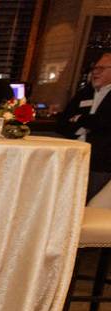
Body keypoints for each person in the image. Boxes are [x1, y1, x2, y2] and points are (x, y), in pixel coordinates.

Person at [57, 53, 111, 201]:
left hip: (101, 162)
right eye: (94, 68)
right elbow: (63, 122)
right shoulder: (84, 93)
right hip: (73, 155)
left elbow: (105, 123)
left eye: (101, 68)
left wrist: (80, 119)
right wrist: (87, 123)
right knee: (66, 198)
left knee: (92, 202)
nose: (95, 72)